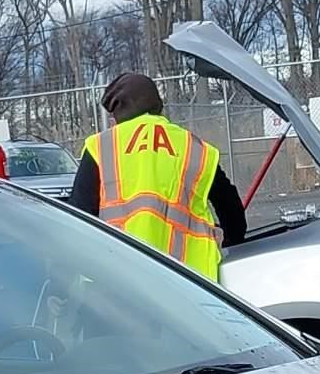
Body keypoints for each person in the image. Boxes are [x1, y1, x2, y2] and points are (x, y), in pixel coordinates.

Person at [65, 72, 246, 278]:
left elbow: (79, 215)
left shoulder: (102, 145)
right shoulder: (193, 147)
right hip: (192, 280)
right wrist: (234, 243)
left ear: (119, 112)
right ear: (157, 106)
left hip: (120, 277)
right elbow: (229, 206)